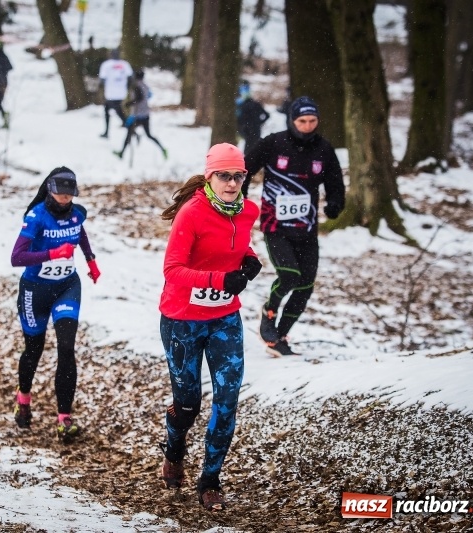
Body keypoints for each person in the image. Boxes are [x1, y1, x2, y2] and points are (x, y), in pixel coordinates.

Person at [158, 143, 261, 511]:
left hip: (224, 319)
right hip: (181, 320)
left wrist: (249, 262)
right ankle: (173, 451)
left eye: (238, 176)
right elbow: (172, 270)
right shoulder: (192, 213)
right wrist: (220, 280)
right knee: (187, 406)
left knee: (227, 400)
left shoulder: (248, 211)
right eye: (224, 176)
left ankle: (210, 481)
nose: (232, 183)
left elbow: (237, 249)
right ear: (209, 177)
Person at [241, 96, 345, 357]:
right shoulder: (275, 143)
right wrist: (240, 193)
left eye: (312, 121)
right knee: (289, 275)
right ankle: (268, 313)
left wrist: (335, 204)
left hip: (307, 229)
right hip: (275, 225)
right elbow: (246, 166)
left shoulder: (323, 149)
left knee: (305, 285)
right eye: (302, 121)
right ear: (292, 120)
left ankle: (280, 336)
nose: (308, 126)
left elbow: (335, 181)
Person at [10, 167, 101, 442]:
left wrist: (91, 261)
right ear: (49, 189)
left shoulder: (76, 213)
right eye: (60, 193)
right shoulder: (36, 216)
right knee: (34, 349)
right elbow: (17, 257)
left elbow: (80, 233)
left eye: (69, 194)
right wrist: (52, 253)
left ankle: (64, 419)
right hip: (35, 290)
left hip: (67, 287)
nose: (64, 199)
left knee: (66, 347)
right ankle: (23, 398)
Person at [113, 70, 167, 160]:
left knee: (128, 132)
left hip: (137, 115)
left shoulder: (136, 86)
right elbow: (149, 96)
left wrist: (129, 103)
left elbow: (139, 98)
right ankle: (163, 149)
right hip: (145, 114)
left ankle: (122, 153)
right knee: (149, 135)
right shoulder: (146, 86)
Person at [98, 48, 132, 138]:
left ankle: (130, 128)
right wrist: (126, 87)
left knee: (117, 111)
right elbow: (130, 77)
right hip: (121, 92)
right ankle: (107, 132)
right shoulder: (125, 64)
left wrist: (102, 88)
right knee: (110, 110)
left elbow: (102, 80)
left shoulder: (106, 65)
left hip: (111, 93)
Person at [235, 83, 270, 153]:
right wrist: (260, 122)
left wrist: (241, 127)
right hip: (256, 129)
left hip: (247, 130)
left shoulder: (243, 106)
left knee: (248, 149)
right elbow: (267, 115)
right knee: (256, 148)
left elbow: (240, 119)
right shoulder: (256, 104)